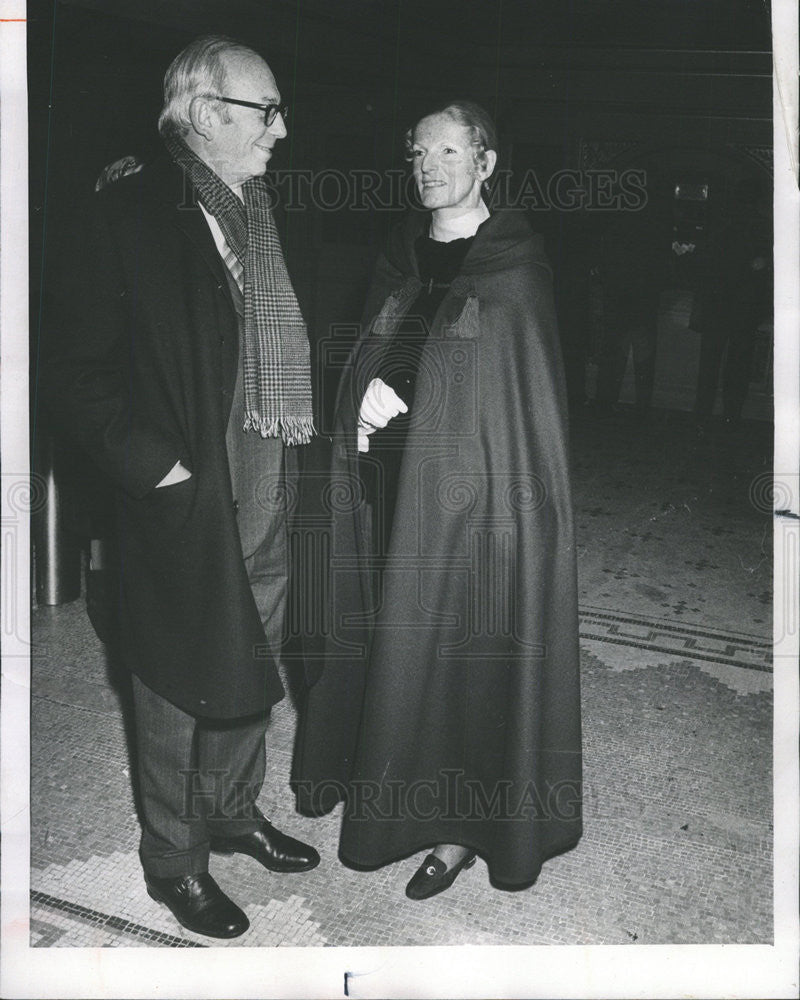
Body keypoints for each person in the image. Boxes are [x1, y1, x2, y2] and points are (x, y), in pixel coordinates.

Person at [43, 35, 319, 939]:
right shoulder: (123, 213)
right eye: (265, 111)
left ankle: (233, 811)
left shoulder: (267, 213)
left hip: (268, 469)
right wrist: (155, 470)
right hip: (181, 485)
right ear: (206, 115)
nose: (282, 129)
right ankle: (173, 860)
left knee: (256, 654)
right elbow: (75, 374)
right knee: (168, 673)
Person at [293, 101, 582, 900]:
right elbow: (372, 350)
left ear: (487, 162)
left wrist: (416, 399)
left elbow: (508, 392)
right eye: (419, 151)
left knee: (459, 649)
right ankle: (377, 774)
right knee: (387, 629)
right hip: (388, 478)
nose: (429, 166)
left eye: (449, 151)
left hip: (473, 499)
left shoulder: (516, 264)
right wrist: (360, 398)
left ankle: (459, 827)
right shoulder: (402, 250)